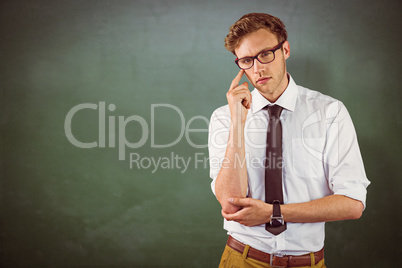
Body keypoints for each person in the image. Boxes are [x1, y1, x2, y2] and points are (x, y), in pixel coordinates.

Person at [208, 13, 370, 268]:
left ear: (285, 49)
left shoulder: (330, 112)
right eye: (247, 61)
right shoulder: (223, 117)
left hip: (307, 262)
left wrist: (275, 213)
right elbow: (230, 204)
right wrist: (238, 123)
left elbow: (352, 204)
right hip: (242, 259)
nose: (258, 68)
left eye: (265, 54)